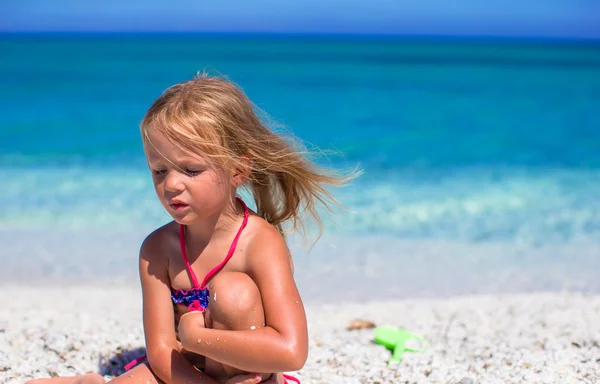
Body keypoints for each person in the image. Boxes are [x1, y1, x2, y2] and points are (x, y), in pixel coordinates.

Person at [27, 73, 357, 384]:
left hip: (252, 378)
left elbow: (291, 351)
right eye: (159, 170)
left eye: (190, 169)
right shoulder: (157, 249)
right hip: (184, 376)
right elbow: (161, 353)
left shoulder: (259, 242)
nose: (171, 184)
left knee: (233, 291)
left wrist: (197, 337)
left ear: (238, 169)